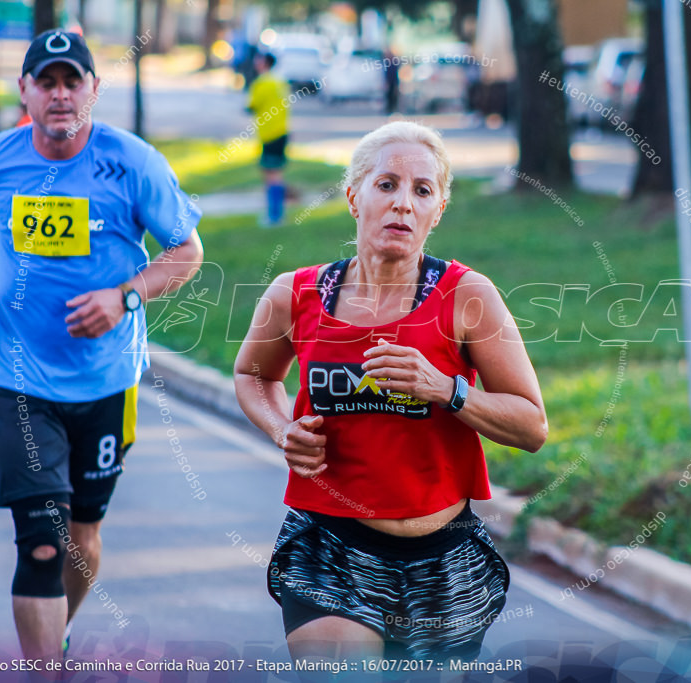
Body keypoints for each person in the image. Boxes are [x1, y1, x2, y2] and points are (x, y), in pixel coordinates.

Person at [234, 121, 547, 664]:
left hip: (441, 559)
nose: (403, 203)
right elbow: (254, 376)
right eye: (387, 184)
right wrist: (282, 427)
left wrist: (447, 389)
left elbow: (531, 426)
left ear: (438, 211)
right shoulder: (295, 294)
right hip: (330, 548)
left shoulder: (467, 297)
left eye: (422, 191)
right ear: (354, 196)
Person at [0, 29, 204, 666]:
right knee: (43, 544)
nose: (60, 94)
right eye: (47, 82)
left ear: (93, 90)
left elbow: (186, 252)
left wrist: (125, 297)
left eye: (72, 81)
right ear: (24, 90)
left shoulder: (133, 163)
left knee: (82, 534)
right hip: (20, 379)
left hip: (107, 381)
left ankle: (57, 632)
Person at [248, 49, 290, 226]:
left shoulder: (261, 83)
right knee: (277, 173)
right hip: (282, 132)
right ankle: (277, 213)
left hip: (268, 134)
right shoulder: (280, 82)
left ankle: (274, 215)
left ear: (263, 63)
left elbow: (251, 105)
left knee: (271, 175)